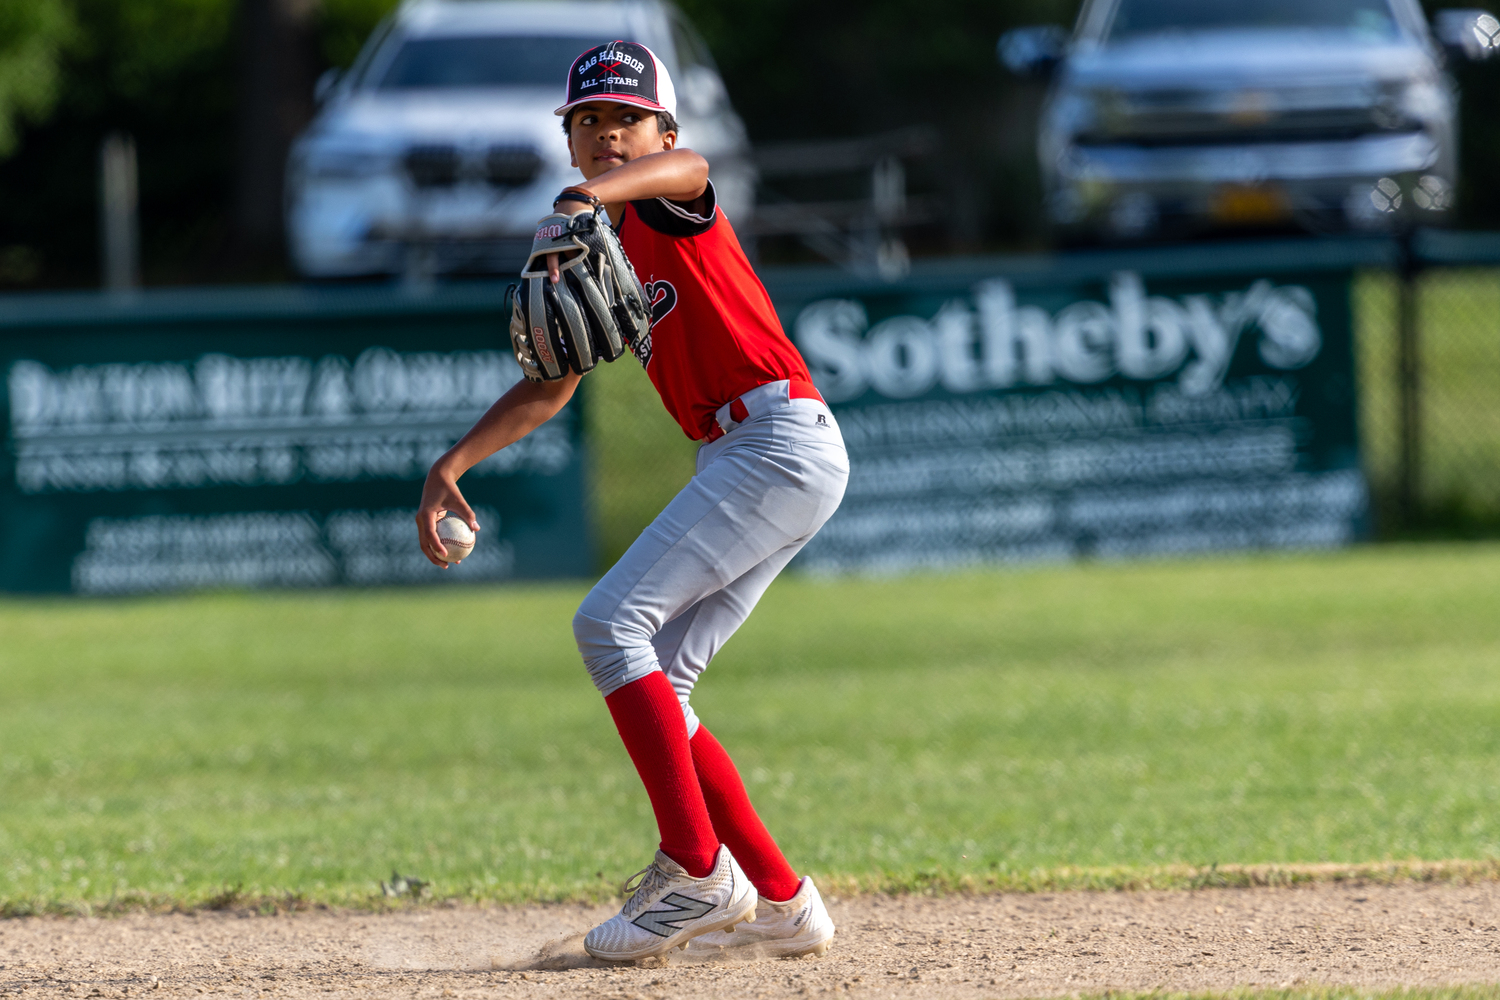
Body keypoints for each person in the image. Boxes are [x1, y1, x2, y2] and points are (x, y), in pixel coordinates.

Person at [415, 40, 847, 964]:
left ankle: (695, 873)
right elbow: (550, 382)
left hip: (773, 437)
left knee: (608, 626)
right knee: (665, 675)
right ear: (568, 141)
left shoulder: (667, 196)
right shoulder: (598, 241)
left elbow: (695, 169)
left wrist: (590, 198)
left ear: (661, 130)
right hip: (750, 450)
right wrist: (451, 464)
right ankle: (781, 900)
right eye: (587, 122)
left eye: (625, 118)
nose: (607, 134)